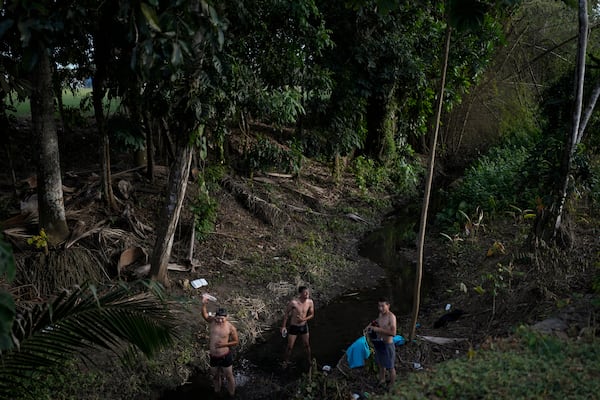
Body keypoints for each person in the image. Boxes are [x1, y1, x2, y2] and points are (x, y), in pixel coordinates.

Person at [202, 297, 239, 397]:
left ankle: (232, 394)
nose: (220, 320)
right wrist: (204, 304)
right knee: (215, 376)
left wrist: (224, 345)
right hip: (213, 356)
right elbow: (205, 315)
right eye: (218, 318)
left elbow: (236, 341)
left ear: (226, 317)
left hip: (225, 355)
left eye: (222, 318)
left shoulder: (231, 327)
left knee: (229, 376)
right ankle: (217, 392)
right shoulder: (213, 321)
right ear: (215, 316)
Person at [365, 297, 397, 387]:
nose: (380, 308)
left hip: (387, 345)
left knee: (390, 367)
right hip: (379, 343)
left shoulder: (391, 317)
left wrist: (377, 329)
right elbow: (376, 321)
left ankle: (392, 385)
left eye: (383, 306)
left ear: (388, 306)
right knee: (380, 364)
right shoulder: (381, 314)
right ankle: (382, 380)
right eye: (379, 306)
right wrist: (370, 325)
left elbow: (393, 333)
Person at [281, 286, 314, 368]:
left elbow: (312, 314)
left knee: (306, 345)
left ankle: (309, 360)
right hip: (294, 327)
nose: (307, 294)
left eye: (308, 292)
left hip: (303, 326)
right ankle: (286, 361)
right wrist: (283, 326)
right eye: (305, 293)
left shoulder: (310, 302)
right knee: (290, 347)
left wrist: (303, 319)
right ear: (300, 293)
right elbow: (286, 314)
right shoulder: (294, 303)